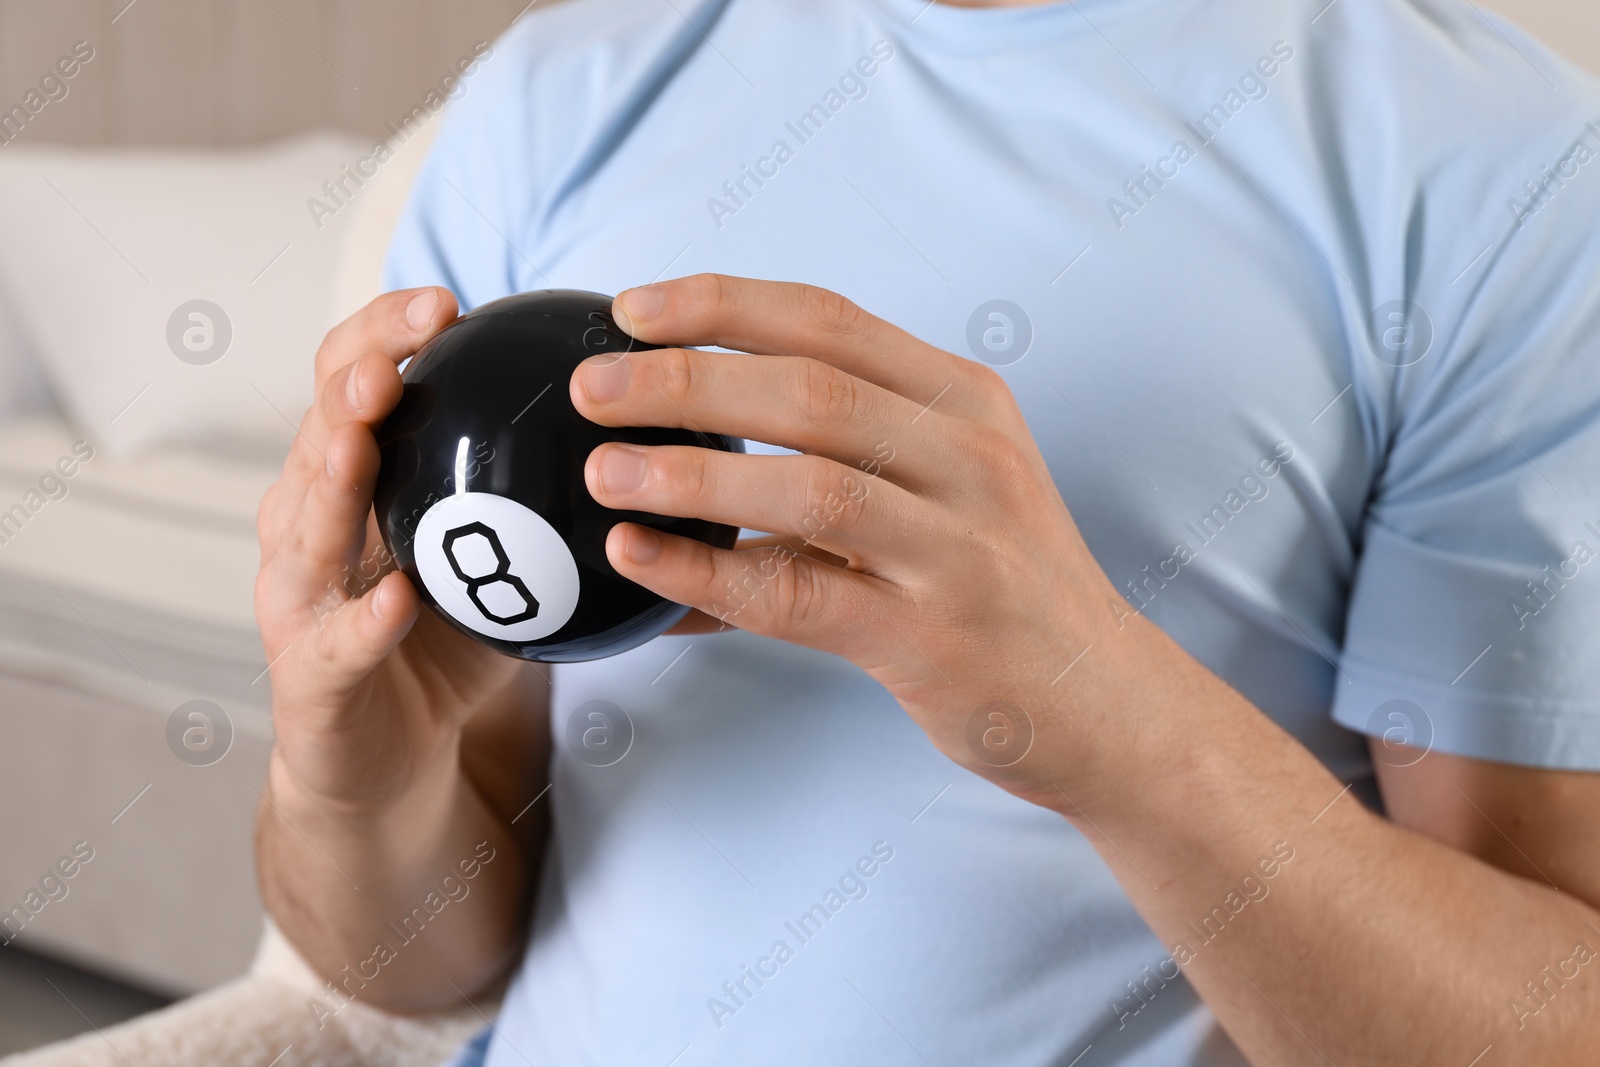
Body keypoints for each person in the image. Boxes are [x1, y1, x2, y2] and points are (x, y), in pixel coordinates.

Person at [252, 0, 1600, 1062]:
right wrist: (362, 781)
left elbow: (1546, 1019)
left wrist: (1102, 719)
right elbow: (418, 966)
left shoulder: (1501, 166)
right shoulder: (552, 97)